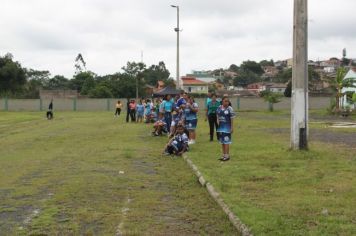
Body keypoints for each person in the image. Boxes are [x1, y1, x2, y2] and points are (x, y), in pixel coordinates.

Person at [216, 96, 236, 161]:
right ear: (222, 101)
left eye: (228, 101)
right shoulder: (219, 107)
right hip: (221, 128)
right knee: (222, 142)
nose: (227, 102)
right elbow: (217, 114)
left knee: (226, 142)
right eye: (225, 101)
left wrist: (232, 127)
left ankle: (227, 156)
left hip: (227, 128)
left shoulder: (230, 109)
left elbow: (232, 119)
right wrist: (217, 120)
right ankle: (223, 155)